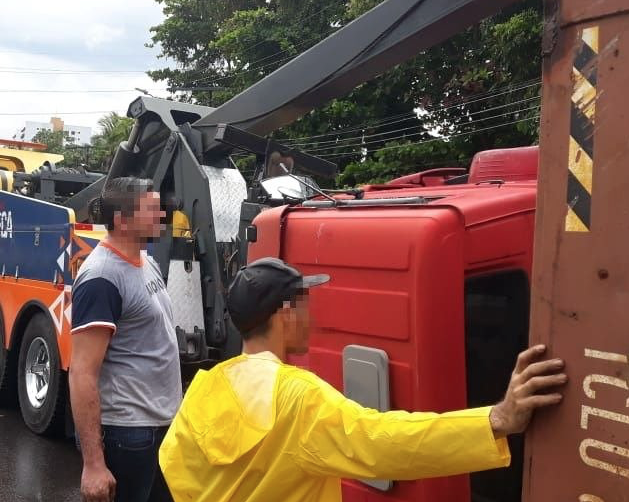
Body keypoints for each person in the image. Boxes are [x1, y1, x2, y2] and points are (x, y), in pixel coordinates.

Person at [159, 257, 567, 502]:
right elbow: (385, 442)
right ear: (285, 315)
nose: (311, 318)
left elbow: (172, 464)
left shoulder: (205, 387)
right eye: (305, 306)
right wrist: (495, 419)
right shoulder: (297, 397)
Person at [69, 177, 180, 502]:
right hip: (128, 433)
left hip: (159, 424)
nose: (162, 214)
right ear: (121, 220)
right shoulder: (102, 277)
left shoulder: (147, 262)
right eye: (151, 209)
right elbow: (82, 372)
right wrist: (93, 464)